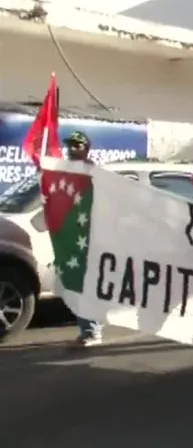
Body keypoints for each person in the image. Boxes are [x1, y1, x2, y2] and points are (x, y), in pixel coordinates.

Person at [64, 132, 103, 349]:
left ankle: (92, 330)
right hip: (72, 237)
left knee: (86, 284)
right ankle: (86, 329)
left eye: (77, 145)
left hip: (89, 237)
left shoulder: (93, 173)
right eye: (69, 146)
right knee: (74, 284)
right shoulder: (66, 171)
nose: (72, 150)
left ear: (86, 148)